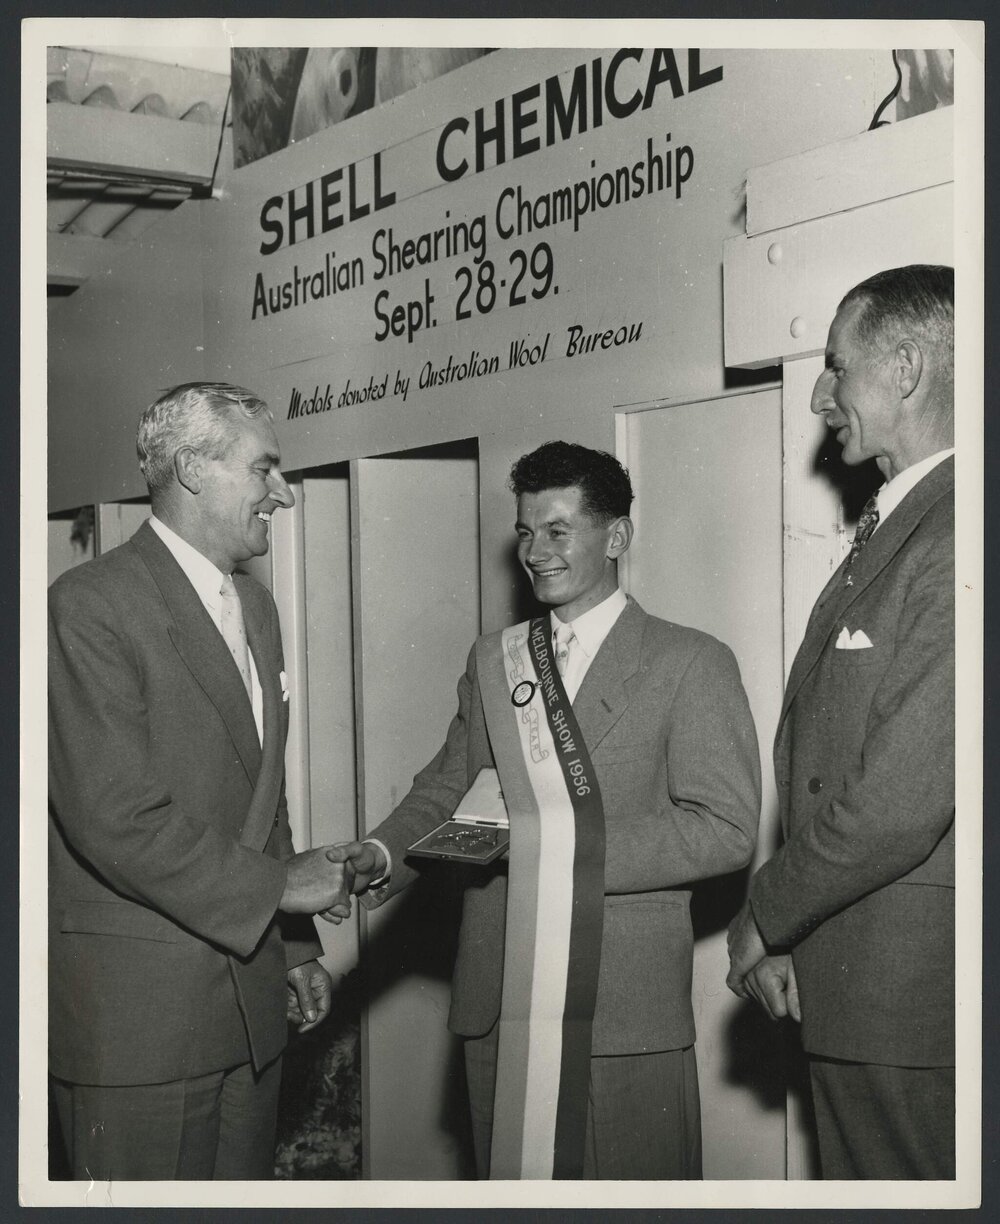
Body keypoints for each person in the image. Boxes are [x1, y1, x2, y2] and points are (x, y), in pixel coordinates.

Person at [331, 441, 761, 1179]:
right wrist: (381, 852)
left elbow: (723, 829)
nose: (535, 552)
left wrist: (551, 849)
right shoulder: (494, 660)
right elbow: (445, 789)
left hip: (619, 1010)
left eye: (559, 530)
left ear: (616, 537)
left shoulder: (690, 661)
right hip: (498, 1002)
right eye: (526, 532)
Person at [48, 382, 350, 1180]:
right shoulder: (89, 605)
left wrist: (292, 948)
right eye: (263, 469)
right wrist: (282, 889)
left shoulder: (256, 608)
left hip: (249, 1009)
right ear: (190, 468)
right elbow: (112, 815)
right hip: (138, 1024)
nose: (282, 494)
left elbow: (261, 794)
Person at [726, 265, 955, 1179]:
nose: (820, 396)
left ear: (906, 369)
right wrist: (804, 937)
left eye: (836, 366)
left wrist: (770, 912)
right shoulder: (910, 522)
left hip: (908, 994)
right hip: (865, 977)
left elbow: (899, 801)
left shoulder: (956, 532)